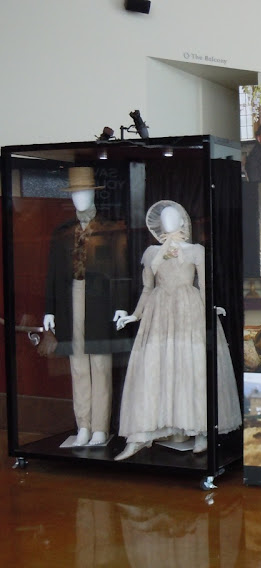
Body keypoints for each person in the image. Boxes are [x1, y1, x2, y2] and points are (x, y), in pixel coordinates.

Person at [114, 201, 242, 460]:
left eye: (174, 216)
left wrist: (210, 309)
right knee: (155, 369)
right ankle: (141, 434)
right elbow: (147, 289)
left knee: (191, 368)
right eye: (165, 217)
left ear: (184, 221)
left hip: (189, 311)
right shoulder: (151, 253)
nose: (169, 221)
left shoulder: (195, 251)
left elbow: (205, 286)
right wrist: (134, 315)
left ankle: (201, 431)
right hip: (159, 313)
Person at [44, 167, 130, 447]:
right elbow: (53, 275)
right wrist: (50, 310)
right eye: (74, 194)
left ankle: (101, 429)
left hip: (100, 303)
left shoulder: (110, 229)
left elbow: (120, 270)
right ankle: (83, 426)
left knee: (101, 367)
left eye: (83, 193)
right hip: (70, 302)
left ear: (93, 195)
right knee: (77, 366)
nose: (78, 199)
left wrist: (119, 305)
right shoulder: (62, 233)